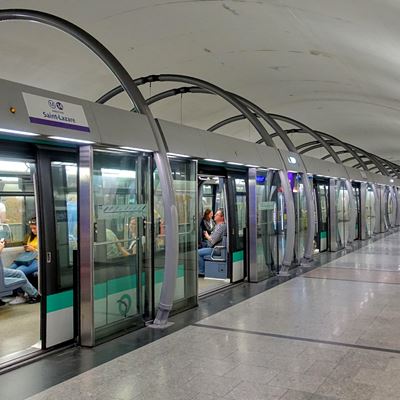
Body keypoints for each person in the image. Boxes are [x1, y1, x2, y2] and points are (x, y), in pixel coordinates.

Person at [0, 239, 40, 305]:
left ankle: (22, 294)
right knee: (18, 273)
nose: (33, 230)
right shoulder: (30, 237)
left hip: (36, 260)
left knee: (19, 271)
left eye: (34, 228)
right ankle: (34, 295)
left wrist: (33, 250)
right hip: (28, 259)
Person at [198, 208, 227, 276]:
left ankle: (202, 272)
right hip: (214, 247)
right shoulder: (217, 226)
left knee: (198, 253)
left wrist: (207, 235)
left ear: (222, 217)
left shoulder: (221, 227)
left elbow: (213, 241)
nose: (214, 216)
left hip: (217, 249)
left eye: (217, 215)